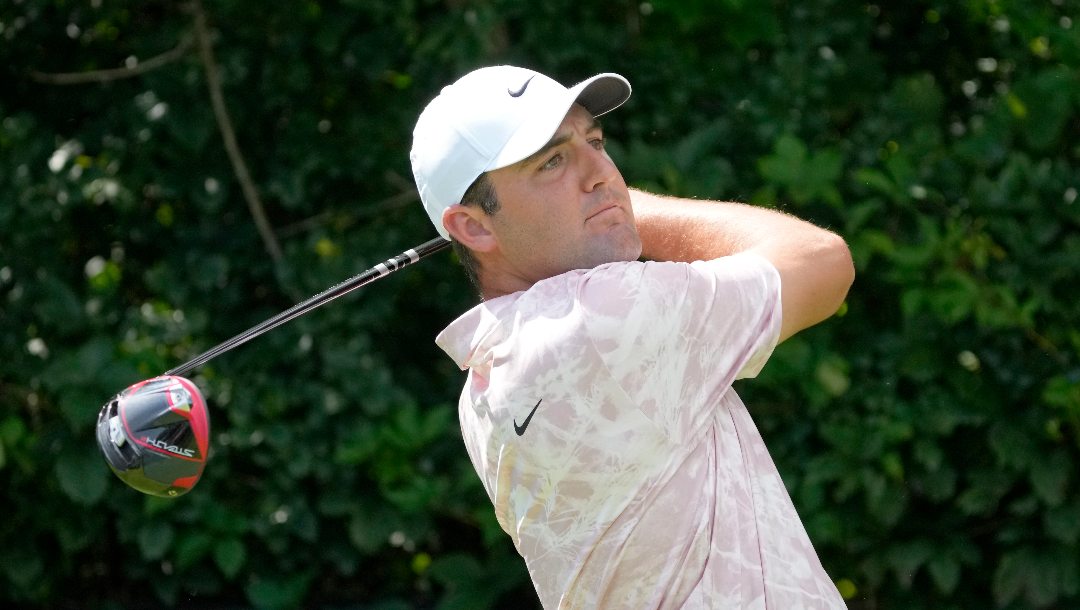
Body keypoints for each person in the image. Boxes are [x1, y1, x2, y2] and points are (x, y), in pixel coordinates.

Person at [410, 65, 854, 609]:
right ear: (474, 227)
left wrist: (600, 207)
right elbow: (822, 261)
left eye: (595, 143)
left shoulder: (482, 388)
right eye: (552, 162)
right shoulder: (600, 316)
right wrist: (624, 207)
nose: (603, 173)